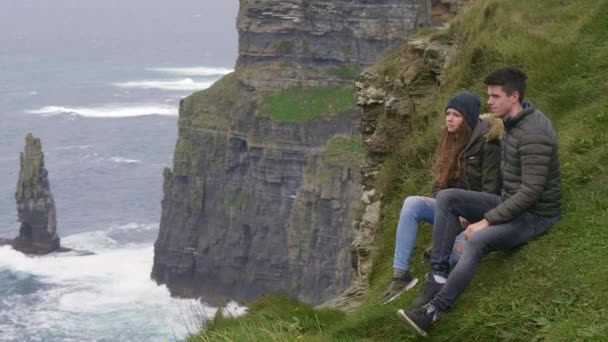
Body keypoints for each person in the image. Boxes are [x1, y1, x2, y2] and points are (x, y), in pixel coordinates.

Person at [398, 67, 561, 337]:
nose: (489, 102)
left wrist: (487, 220)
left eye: (495, 96)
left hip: (535, 215)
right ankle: (438, 275)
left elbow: (531, 192)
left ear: (515, 96)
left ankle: (431, 313)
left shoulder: (534, 134)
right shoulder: (510, 124)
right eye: (489, 96)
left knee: (476, 240)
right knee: (447, 198)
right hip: (508, 201)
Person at [382, 91, 503, 305]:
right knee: (412, 203)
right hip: (452, 210)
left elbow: (491, 195)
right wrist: (453, 211)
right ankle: (400, 276)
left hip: (478, 215)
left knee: (457, 255)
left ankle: (440, 267)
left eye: (456, 114)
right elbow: (439, 186)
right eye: (448, 113)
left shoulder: (488, 144)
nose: (449, 118)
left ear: (468, 118)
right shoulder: (450, 139)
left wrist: (465, 212)